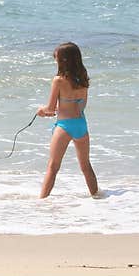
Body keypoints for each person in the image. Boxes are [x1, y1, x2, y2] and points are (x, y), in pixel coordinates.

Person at [36, 41, 99, 198]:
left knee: (53, 166)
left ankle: (40, 203)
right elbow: (81, 105)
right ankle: (97, 197)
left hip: (64, 126)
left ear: (64, 60)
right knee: (86, 166)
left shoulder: (58, 80)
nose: (55, 60)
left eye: (56, 58)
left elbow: (50, 109)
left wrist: (42, 111)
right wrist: (61, 108)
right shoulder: (83, 79)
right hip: (81, 124)